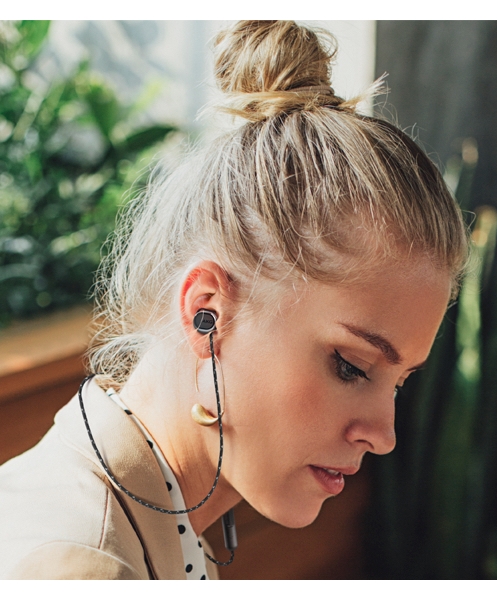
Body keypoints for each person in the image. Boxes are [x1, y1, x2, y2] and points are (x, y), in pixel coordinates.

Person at [0, 20, 469, 579]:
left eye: (400, 382)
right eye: (351, 366)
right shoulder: (81, 567)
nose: (384, 436)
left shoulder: (161, 518)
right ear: (208, 314)